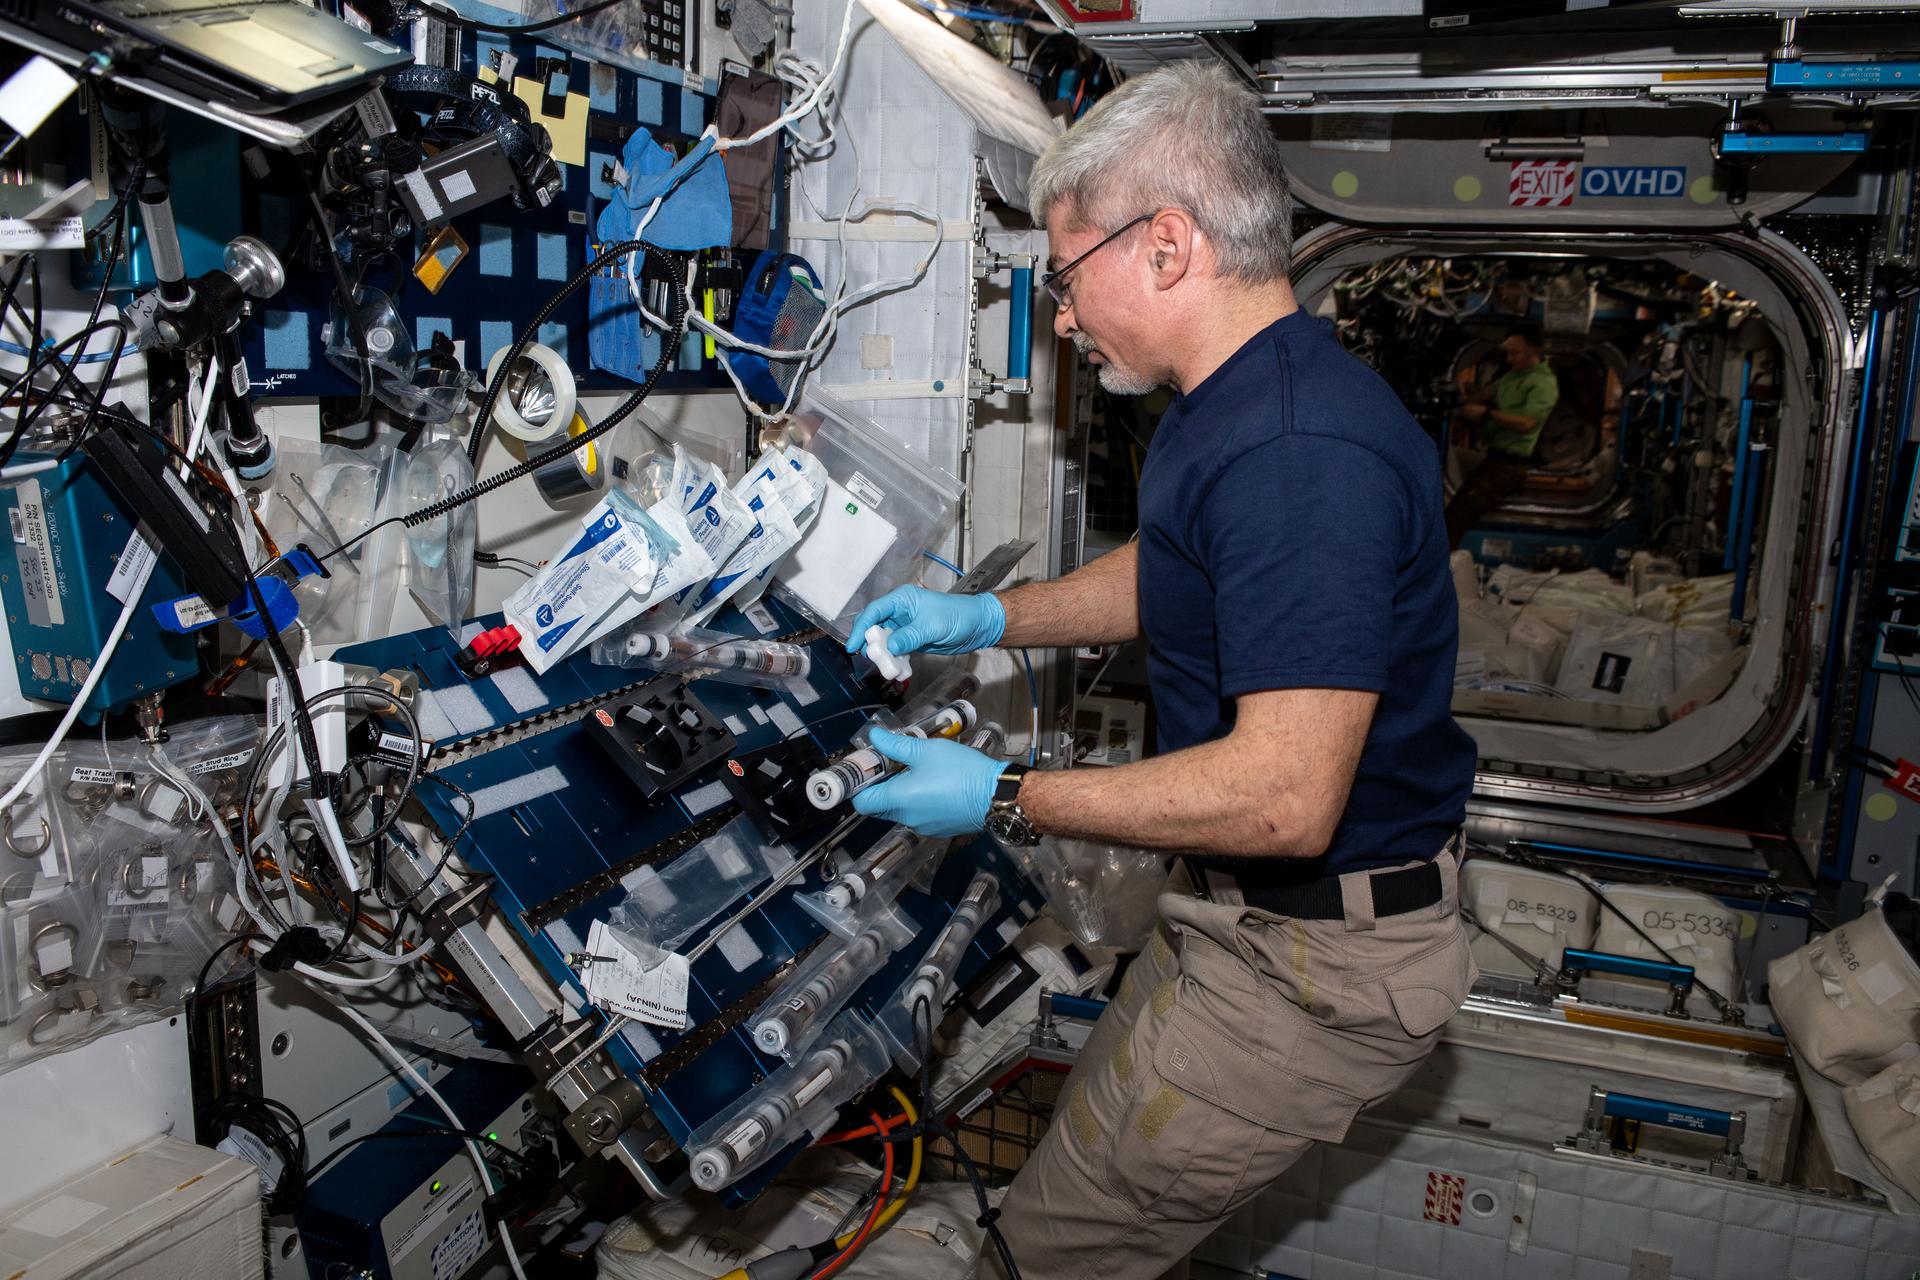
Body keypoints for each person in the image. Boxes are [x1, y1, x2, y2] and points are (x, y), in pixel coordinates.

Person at [842, 62, 1478, 1280]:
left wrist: (1005, 796)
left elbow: (1285, 799)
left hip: (1312, 966)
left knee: (1044, 1258)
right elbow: (1180, 569)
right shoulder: (1234, 400)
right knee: (1089, 1190)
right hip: (1239, 920)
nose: (1061, 317)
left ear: (1169, 245)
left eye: (1065, 275)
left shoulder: (1299, 449)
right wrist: (988, 618)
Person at [1442, 327, 1560, 548]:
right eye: (1507, 353)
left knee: (1455, 518)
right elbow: (1486, 393)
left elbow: (1526, 424)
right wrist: (1464, 397)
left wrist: (1487, 414)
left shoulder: (1543, 383)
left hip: (1509, 468)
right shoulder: (1513, 376)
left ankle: (1438, 561)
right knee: (1446, 458)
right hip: (1494, 458)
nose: (1509, 359)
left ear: (1534, 351)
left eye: (1514, 353)